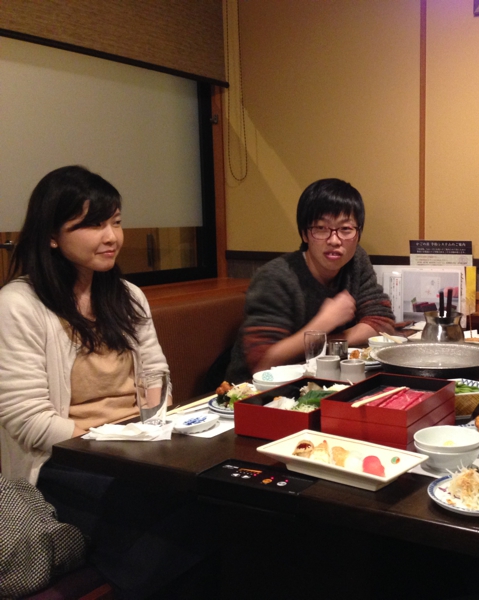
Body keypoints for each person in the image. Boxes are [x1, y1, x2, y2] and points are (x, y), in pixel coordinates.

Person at [0, 166, 214, 599]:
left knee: (217, 498)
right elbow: (27, 419)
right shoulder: (18, 305)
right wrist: (113, 447)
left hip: (142, 446)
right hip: (65, 462)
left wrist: (149, 435)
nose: (111, 236)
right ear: (52, 236)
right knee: (169, 522)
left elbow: (157, 376)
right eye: (94, 224)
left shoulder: (127, 295)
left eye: (115, 221)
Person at [227, 178, 395, 382]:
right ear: (304, 234)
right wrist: (323, 323)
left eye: (345, 229)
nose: (334, 240)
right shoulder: (275, 277)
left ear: (358, 234)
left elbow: (382, 323)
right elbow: (263, 363)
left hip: (328, 381)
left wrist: (325, 341)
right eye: (321, 228)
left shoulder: (356, 260)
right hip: (257, 391)